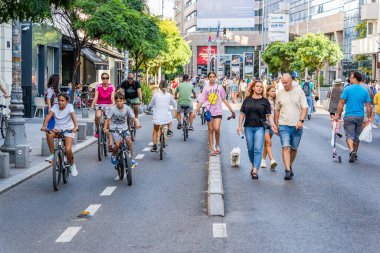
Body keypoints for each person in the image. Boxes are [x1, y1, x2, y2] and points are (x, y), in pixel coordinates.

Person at [237, 81, 276, 179]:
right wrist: (239, 126)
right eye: (257, 86)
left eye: (261, 87)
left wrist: (273, 124)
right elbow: (242, 113)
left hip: (260, 127)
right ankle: (254, 164)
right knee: (250, 149)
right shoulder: (247, 100)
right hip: (248, 127)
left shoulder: (265, 101)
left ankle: (255, 170)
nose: (259, 88)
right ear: (253, 88)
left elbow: (269, 115)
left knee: (258, 149)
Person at [275, 74, 308, 180]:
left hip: (296, 126)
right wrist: (276, 124)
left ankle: (289, 165)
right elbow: (277, 109)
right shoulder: (279, 94)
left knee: (294, 148)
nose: (284, 85)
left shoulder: (299, 92)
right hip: (283, 125)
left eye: (286, 82)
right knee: (285, 147)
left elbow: (304, 107)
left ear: (291, 81)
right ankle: (287, 170)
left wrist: (301, 120)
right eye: (283, 83)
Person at [194, 72, 235, 156]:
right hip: (209, 111)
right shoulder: (206, 88)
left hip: (218, 111)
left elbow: (224, 99)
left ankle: (217, 145)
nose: (212, 78)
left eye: (213, 77)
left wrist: (231, 110)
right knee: (210, 129)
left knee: (216, 129)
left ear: (216, 78)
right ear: (208, 78)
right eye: (210, 77)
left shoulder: (219, 87)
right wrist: (195, 111)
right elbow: (201, 100)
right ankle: (211, 148)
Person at [333, 72, 371, 163]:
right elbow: (369, 106)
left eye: (351, 77)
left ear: (355, 79)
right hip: (360, 117)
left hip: (349, 116)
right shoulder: (364, 91)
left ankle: (351, 151)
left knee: (349, 135)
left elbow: (341, 102)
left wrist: (337, 115)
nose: (349, 78)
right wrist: (369, 117)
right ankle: (355, 153)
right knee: (357, 136)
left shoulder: (347, 89)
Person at [41, 93, 79, 176]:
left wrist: (75, 127)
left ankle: (72, 166)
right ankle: (52, 154)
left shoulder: (69, 107)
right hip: (57, 129)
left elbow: (73, 117)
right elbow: (48, 116)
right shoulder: (55, 107)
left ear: (67, 101)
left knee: (68, 149)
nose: (60, 102)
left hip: (68, 130)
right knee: (48, 134)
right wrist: (44, 126)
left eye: (62, 100)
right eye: (59, 100)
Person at [103, 92, 140, 168]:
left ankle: (132, 159)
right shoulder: (113, 109)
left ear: (124, 101)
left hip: (124, 128)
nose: (119, 103)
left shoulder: (127, 108)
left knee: (129, 141)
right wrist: (105, 128)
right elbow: (107, 119)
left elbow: (133, 118)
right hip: (114, 129)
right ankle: (113, 155)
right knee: (117, 144)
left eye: (120, 101)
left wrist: (137, 124)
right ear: (115, 102)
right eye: (117, 101)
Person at [149, 81, 177, 152]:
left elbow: (151, 104)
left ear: (159, 86)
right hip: (166, 118)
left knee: (155, 130)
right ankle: (169, 131)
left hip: (157, 117)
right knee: (170, 118)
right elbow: (174, 104)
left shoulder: (156, 95)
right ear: (167, 86)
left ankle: (154, 145)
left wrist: (149, 108)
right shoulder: (169, 95)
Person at [90, 73, 115, 138]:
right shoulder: (98, 86)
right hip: (99, 104)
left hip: (108, 105)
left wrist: (113, 103)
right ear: (101, 79)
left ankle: (109, 135)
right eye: (103, 78)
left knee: (108, 121)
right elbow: (96, 97)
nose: (105, 79)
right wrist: (92, 105)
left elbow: (112, 97)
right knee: (97, 116)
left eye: (106, 78)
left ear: (108, 79)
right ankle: (98, 129)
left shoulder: (111, 86)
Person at [260, 85, 278, 170]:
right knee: (268, 142)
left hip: (272, 125)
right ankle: (272, 160)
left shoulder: (276, 102)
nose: (274, 93)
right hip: (265, 124)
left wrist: (276, 124)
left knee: (266, 143)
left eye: (275, 91)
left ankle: (263, 160)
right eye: (272, 91)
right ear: (267, 92)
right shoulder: (264, 101)